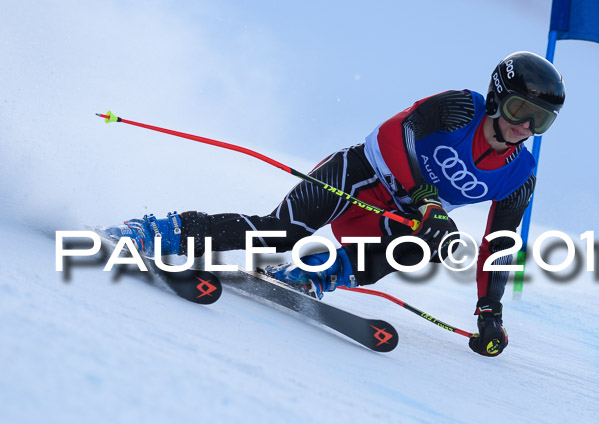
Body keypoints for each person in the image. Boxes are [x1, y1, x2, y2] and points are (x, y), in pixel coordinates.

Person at [103, 51, 565, 358]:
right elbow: (396, 133)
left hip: (394, 217)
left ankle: (313, 274)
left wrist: (490, 310)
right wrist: (427, 200)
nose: (525, 126)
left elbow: (499, 245)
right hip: (357, 175)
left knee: (428, 243)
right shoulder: (459, 108)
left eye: (540, 120)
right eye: (519, 111)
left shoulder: (519, 175)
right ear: (496, 99)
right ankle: (157, 231)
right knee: (280, 233)